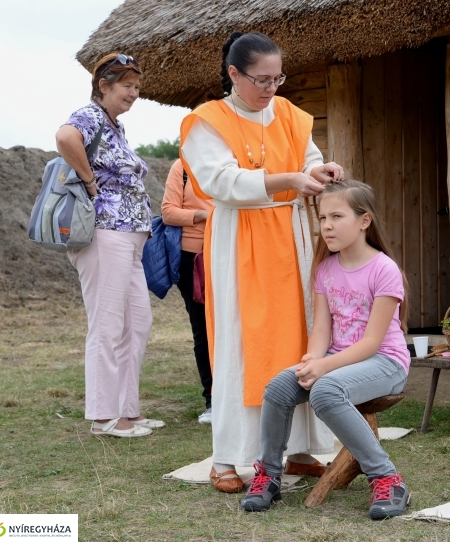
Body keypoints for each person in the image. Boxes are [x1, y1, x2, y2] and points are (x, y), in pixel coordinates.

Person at [179, 32, 343, 493]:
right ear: (234, 74)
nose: (271, 88)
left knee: (298, 339)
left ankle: (296, 449)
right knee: (240, 344)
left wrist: (318, 171)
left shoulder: (289, 112)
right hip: (240, 239)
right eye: (261, 79)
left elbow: (308, 158)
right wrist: (288, 178)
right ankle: (228, 458)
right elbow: (221, 181)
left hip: (292, 239)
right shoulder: (206, 121)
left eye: (277, 78)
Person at [240, 180, 411, 519]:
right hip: (338, 359)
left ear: (364, 221)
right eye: (322, 218)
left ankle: (388, 479)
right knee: (278, 386)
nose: (327, 225)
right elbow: (321, 328)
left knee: (326, 390)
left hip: (385, 362)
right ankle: (269, 475)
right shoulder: (325, 269)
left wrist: (324, 369)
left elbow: (372, 343)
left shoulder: (383, 269)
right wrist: (313, 359)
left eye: (337, 216)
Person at [55, 53, 163, 438]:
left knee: (137, 323)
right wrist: (87, 179)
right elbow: (65, 137)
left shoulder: (115, 126)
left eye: (137, 87)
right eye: (127, 86)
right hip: (104, 233)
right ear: (104, 85)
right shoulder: (89, 115)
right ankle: (104, 416)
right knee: (108, 323)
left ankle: (126, 411)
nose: (134, 94)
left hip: (129, 238)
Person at [161, 159, 214, 423]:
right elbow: (168, 212)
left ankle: (240, 395)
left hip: (232, 253)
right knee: (203, 330)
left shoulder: (238, 162)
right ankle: (212, 401)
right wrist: (203, 215)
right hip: (192, 258)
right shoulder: (181, 167)